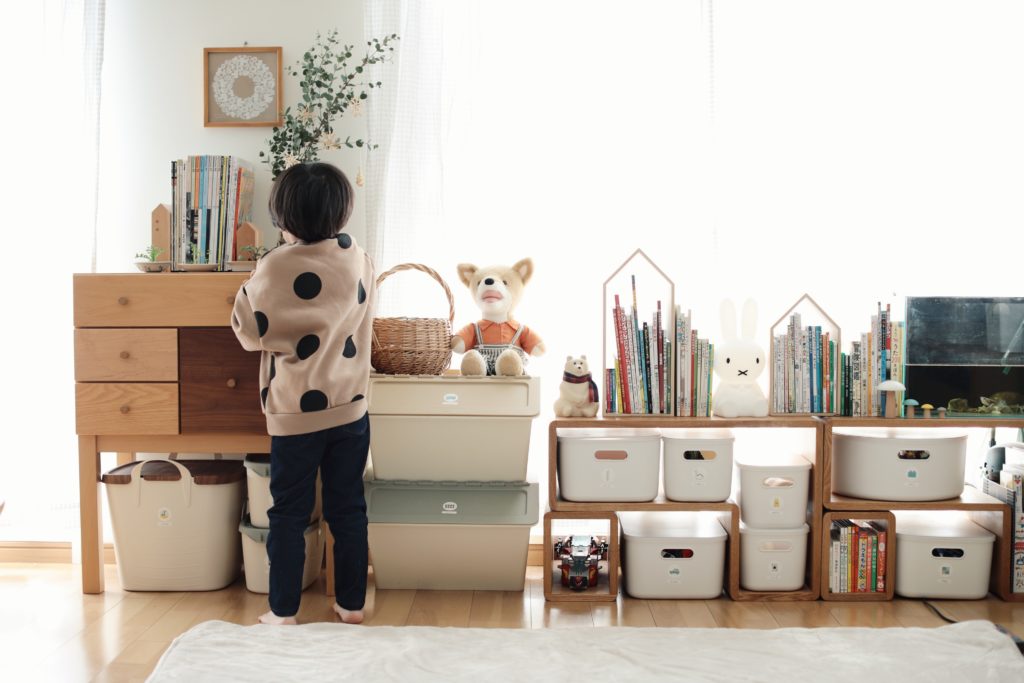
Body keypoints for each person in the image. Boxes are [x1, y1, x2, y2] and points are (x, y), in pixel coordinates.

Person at [231, 162, 375, 625]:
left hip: (296, 414)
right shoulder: (357, 256)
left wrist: (250, 281)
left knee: (289, 514)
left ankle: (283, 610)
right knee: (347, 509)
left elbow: (249, 330)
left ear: (284, 217)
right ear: (341, 213)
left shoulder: (276, 264)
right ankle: (351, 604)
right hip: (351, 409)